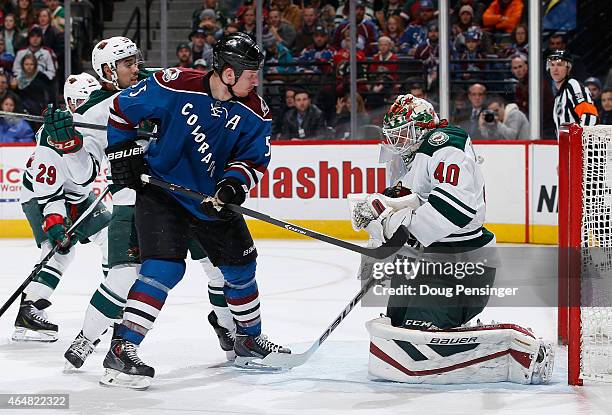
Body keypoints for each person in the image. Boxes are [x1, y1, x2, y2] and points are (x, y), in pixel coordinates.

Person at [99, 32, 290, 389]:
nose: (256, 80)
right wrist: (121, 152)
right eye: (250, 73)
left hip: (210, 200)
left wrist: (234, 183)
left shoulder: (255, 111)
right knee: (163, 269)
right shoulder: (174, 85)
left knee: (241, 267)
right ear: (229, 74)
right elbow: (122, 110)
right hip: (163, 193)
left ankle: (248, 340)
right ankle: (122, 349)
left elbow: (253, 159)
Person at [349, 94, 553, 384]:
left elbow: (454, 209)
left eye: (404, 134)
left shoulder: (445, 142)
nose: (398, 143)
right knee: (396, 326)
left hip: (461, 269)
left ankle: (512, 345)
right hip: (433, 263)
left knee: (417, 340)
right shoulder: (419, 157)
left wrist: (404, 233)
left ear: (422, 127)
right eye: (394, 137)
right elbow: (405, 200)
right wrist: (378, 215)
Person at [12, 73, 111, 343]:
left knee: (110, 235)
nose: (88, 105)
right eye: (81, 100)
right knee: (59, 251)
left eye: (92, 98)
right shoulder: (52, 133)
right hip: (42, 194)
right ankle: (29, 308)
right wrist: (54, 219)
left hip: (77, 194)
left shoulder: (99, 119)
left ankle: (115, 302)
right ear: (70, 102)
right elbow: (47, 185)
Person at [546, 49, 598, 138]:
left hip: (578, 149)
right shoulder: (559, 95)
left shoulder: (573, 85)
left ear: (568, 68)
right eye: (552, 65)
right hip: (567, 149)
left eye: (559, 64)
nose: (555, 69)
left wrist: (578, 143)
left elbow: (590, 116)